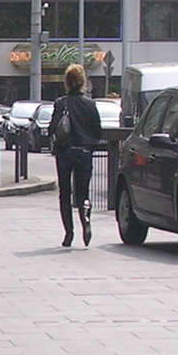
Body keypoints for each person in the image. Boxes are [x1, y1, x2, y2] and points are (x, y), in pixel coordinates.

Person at [51, 62, 103, 247]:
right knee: (83, 192)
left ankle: (69, 233)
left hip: (65, 153)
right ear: (83, 82)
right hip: (84, 152)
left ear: (67, 82)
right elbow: (97, 131)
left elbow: (53, 128)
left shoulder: (61, 103)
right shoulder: (90, 104)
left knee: (65, 193)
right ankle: (86, 221)